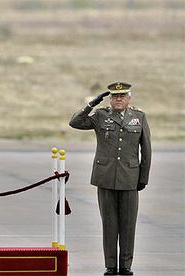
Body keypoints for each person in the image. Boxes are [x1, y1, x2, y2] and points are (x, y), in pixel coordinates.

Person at [69, 82, 151, 276]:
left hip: (130, 178)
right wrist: (92, 104)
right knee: (109, 224)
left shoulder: (138, 117)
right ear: (110, 99)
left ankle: (125, 266)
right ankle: (110, 265)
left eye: (122, 95)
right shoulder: (100, 116)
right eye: (115, 96)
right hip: (105, 177)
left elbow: (146, 149)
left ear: (129, 98)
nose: (118, 99)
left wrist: (143, 177)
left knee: (128, 224)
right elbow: (74, 122)